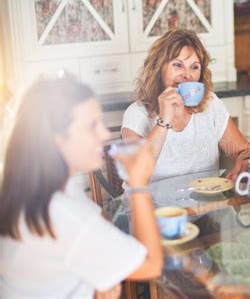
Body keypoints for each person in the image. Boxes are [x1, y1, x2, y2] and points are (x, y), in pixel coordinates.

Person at [0, 74, 163, 298]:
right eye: (92, 125)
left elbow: (97, 224)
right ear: (57, 138)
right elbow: (151, 264)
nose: (104, 134)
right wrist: (138, 184)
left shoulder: (36, 189)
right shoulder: (64, 216)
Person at [122, 29, 250, 181]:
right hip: (152, 204)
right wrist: (164, 121)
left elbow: (243, 151)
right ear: (158, 68)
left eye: (194, 67)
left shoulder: (210, 105)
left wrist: (247, 161)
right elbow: (136, 174)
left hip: (206, 203)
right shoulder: (136, 114)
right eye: (178, 65)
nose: (187, 75)